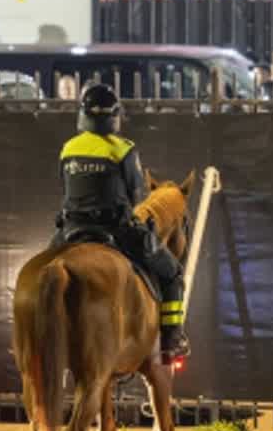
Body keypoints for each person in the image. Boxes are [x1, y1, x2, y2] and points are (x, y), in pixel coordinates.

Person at [50, 82, 188, 358]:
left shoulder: (68, 148)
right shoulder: (124, 150)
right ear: (114, 116)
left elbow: (65, 190)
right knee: (172, 273)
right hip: (116, 230)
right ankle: (172, 339)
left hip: (70, 229)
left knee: (45, 269)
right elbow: (138, 197)